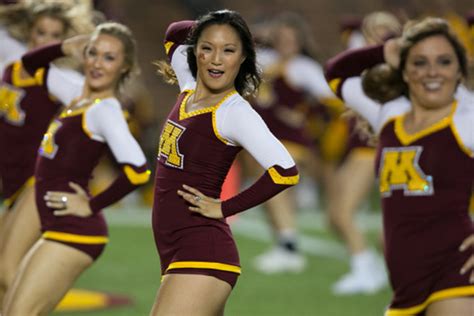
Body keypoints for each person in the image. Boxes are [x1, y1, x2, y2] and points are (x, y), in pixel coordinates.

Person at [152, 10, 299, 315]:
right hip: (174, 249)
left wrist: (223, 208)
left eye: (229, 50)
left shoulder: (234, 111)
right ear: (197, 52)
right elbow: (173, 34)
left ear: (243, 57)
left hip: (203, 250)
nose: (217, 59)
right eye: (208, 48)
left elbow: (285, 171)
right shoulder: (188, 85)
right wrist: (218, 24)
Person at [325, 17, 474, 315]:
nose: (432, 71)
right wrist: (383, 51)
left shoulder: (466, 119)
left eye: (444, 61)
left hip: (455, 274)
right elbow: (336, 74)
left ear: (459, 70)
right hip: (405, 285)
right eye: (419, 62)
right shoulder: (389, 113)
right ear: (404, 70)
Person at [1, 21, 150, 315]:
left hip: (75, 232)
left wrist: (91, 205)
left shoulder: (106, 111)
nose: (97, 63)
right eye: (93, 53)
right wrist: (65, 47)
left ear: (124, 67)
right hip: (55, 228)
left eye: (109, 58)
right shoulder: (76, 95)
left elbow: (138, 170)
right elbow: (28, 63)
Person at [0, 1, 94, 306]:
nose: (45, 40)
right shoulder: (11, 60)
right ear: (29, 31)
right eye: (41, 32)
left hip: (37, 180)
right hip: (14, 185)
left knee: (8, 270)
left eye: (55, 36)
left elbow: (100, 109)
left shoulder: (59, 79)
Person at [248, 12, 337, 274]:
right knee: (267, 196)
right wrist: (259, 36)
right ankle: (282, 245)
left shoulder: (304, 68)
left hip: (292, 140)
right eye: (281, 38)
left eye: (291, 39)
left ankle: (289, 248)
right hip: (262, 140)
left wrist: (307, 115)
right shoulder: (265, 60)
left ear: (300, 42)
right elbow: (241, 55)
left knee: (274, 185)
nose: (286, 43)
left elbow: (331, 101)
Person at [328, 11, 401, 295]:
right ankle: (367, 265)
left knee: (345, 212)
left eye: (386, 31)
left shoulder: (399, 69)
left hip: (375, 149)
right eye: (374, 32)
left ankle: (367, 271)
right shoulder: (365, 65)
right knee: (335, 214)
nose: (379, 37)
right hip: (360, 146)